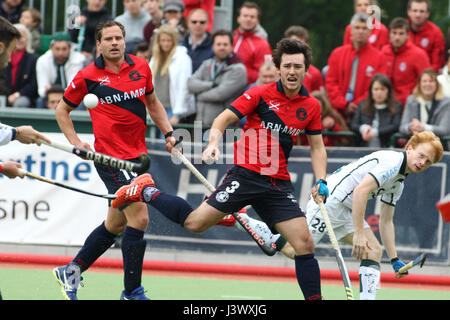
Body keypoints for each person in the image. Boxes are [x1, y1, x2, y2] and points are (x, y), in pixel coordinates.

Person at [112, 38, 329, 300]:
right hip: (245, 175)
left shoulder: (312, 106)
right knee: (194, 223)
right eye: (287, 66)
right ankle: (146, 191)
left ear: (307, 70)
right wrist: (213, 143)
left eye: (298, 66)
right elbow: (223, 118)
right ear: (279, 68)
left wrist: (321, 180)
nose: (292, 72)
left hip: (277, 184)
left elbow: (317, 147)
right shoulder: (259, 94)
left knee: (304, 244)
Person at [219, 131, 444, 300]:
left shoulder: (399, 182)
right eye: (421, 155)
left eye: (428, 162)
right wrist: (358, 233)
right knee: (291, 250)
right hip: (331, 200)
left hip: (346, 208)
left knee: (374, 250)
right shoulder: (393, 163)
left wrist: (394, 259)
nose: (422, 163)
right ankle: (240, 218)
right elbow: (361, 191)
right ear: (410, 148)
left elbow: (386, 221)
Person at [52, 20, 176, 300]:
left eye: (118, 37)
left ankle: (71, 271)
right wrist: (76, 143)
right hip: (110, 159)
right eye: (108, 39)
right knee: (140, 217)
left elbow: (153, 103)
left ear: (124, 40)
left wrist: (168, 132)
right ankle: (132, 292)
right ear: (98, 44)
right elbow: (62, 111)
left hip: (137, 158)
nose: (115, 43)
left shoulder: (141, 67)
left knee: (116, 225)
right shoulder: (87, 76)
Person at [325, 13, 385, 123]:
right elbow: (331, 83)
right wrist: (344, 104)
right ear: (351, 30)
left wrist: (357, 104)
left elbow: (379, 87)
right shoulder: (337, 54)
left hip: (366, 114)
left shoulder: (379, 57)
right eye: (357, 28)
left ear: (370, 32)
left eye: (364, 28)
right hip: (338, 113)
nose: (360, 31)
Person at [187, 29, 247, 128]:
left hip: (225, 127)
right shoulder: (207, 64)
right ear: (213, 46)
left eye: (225, 44)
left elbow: (219, 94)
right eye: (218, 44)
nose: (222, 47)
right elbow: (190, 83)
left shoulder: (238, 69)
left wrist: (198, 95)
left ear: (232, 46)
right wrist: (211, 85)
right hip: (200, 123)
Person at [149, 24, 195, 127]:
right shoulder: (155, 59)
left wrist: (177, 114)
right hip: (156, 108)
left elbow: (184, 86)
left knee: (167, 140)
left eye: (169, 40)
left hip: (172, 109)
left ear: (174, 41)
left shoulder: (182, 58)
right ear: (158, 41)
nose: (166, 44)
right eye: (163, 40)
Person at [380, 17, 431, 106]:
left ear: (408, 35)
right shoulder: (383, 52)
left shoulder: (419, 55)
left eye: (401, 34)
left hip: (408, 104)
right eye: (394, 33)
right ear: (389, 34)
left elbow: (427, 81)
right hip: (385, 103)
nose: (397, 37)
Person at [399, 69, 450, 149]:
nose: (427, 84)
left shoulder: (446, 102)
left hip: (437, 148)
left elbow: (445, 129)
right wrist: (411, 126)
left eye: (431, 81)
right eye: (424, 81)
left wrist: (424, 127)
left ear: (437, 84)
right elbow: (402, 127)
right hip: (414, 147)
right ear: (419, 84)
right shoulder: (411, 100)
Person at [35, 32, 86, 109]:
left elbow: (73, 89)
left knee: (81, 103)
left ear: (70, 48)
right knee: (40, 101)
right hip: (51, 97)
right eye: (57, 49)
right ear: (51, 48)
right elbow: (42, 90)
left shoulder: (79, 60)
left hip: (71, 97)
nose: (60, 53)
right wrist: (52, 95)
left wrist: (52, 90)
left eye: (64, 49)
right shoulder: (42, 61)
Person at [350, 73, 402, 147]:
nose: (379, 93)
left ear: (388, 91)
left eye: (382, 89)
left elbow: (396, 126)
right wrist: (363, 128)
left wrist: (375, 132)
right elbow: (353, 124)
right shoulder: (362, 105)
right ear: (371, 91)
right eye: (376, 89)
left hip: (386, 149)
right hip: (364, 149)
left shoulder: (396, 106)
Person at [233, 1, 272, 86]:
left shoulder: (262, 44)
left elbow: (266, 74)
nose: (248, 19)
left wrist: (238, 73)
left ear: (257, 21)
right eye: (245, 16)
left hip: (247, 87)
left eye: (252, 17)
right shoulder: (230, 38)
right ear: (238, 18)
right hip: (226, 82)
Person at [3, 23, 37, 108]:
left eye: (22, 36)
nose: (19, 39)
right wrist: (6, 97)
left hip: (24, 96)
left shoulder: (34, 59)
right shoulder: (2, 57)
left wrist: (18, 94)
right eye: (16, 36)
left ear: (27, 40)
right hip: (4, 95)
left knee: (20, 103)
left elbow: (33, 84)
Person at [407, 0, 446, 72]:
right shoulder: (400, 31)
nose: (418, 15)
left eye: (421, 11)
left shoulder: (436, 33)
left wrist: (424, 78)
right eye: (415, 11)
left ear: (427, 14)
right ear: (409, 12)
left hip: (425, 79)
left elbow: (437, 64)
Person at [284, 25, 324, 93]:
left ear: (307, 45)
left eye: (300, 44)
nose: (296, 47)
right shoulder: (277, 70)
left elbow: (319, 98)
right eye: (292, 44)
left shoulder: (315, 73)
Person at [180, 8, 213, 73]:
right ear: (188, 23)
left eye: (202, 22)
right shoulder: (179, 45)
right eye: (194, 22)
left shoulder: (214, 46)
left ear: (208, 24)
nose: (198, 25)